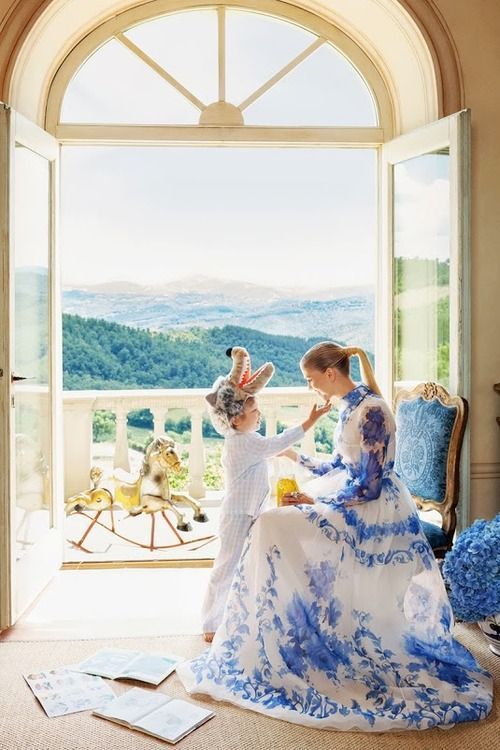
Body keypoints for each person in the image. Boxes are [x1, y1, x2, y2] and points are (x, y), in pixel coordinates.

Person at [177, 342, 493, 731]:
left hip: (373, 513)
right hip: (352, 497)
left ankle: (301, 631)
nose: (311, 388)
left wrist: (313, 497)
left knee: (272, 525)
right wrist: (299, 460)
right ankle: (291, 632)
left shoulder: (371, 411)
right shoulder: (350, 407)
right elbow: (341, 465)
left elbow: (370, 487)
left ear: (331, 374)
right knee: (274, 523)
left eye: (312, 380)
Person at [201, 346, 330, 643]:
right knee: (226, 566)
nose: (258, 415)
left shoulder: (247, 438)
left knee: (244, 563)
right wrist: (310, 422)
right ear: (235, 419)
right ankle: (210, 622)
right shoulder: (241, 443)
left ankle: (236, 614)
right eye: (254, 411)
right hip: (237, 515)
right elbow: (278, 442)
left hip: (248, 512)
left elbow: (270, 448)